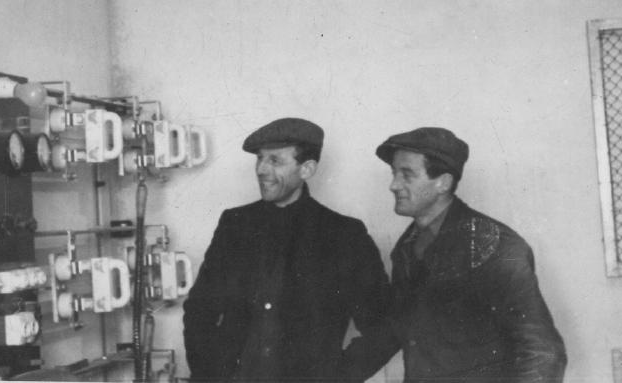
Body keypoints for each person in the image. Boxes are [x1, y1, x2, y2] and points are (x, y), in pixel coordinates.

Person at [348, 127, 567, 382]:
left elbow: (543, 352)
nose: (394, 185)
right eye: (394, 173)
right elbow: (395, 330)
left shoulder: (494, 245)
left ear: (443, 182)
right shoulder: (407, 248)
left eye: (407, 174)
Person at [183, 117, 391, 382]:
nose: (261, 169)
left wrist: (336, 376)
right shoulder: (235, 225)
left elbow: (384, 325)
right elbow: (199, 310)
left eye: (275, 160)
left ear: (307, 169)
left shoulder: (344, 235)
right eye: (260, 158)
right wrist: (209, 375)